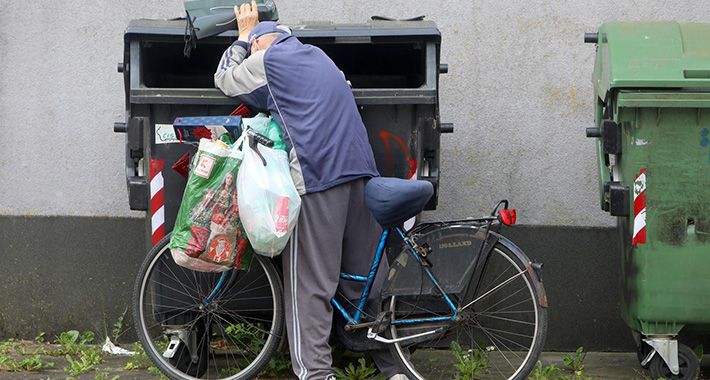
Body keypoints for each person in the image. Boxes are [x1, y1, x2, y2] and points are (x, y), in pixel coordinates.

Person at [214, 2, 407, 379]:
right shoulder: (321, 57)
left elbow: (224, 78)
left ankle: (316, 373)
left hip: (319, 178)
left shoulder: (269, 60)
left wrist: (241, 37)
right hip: (364, 177)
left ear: (260, 46)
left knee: (310, 287)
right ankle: (395, 369)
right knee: (365, 283)